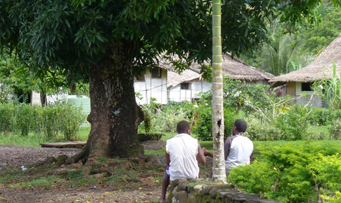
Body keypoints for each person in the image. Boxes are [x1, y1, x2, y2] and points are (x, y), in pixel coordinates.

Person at [159, 120, 206, 202]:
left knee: (167, 171)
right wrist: (204, 152)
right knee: (196, 167)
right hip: (192, 174)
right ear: (188, 130)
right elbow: (203, 161)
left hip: (176, 176)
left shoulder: (169, 142)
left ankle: (162, 197)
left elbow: (168, 163)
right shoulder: (195, 142)